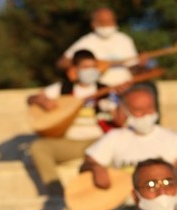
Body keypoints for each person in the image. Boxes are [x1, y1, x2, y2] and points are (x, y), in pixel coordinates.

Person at [74, 83, 177, 210]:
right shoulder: (115, 137)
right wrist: (95, 168)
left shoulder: (172, 139)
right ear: (126, 111)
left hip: (161, 208)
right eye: (138, 110)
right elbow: (86, 163)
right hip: (121, 208)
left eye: (149, 108)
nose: (146, 114)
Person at [27, 49, 120, 197]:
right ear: (75, 69)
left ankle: (105, 195)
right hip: (69, 142)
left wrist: (119, 103)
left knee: (111, 151)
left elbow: (119, 120)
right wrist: (42, 101)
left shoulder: (106, 90)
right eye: (85, 67)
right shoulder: (62, 88)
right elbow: (31, 99)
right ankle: (56, 194)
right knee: (38, 147)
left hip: (98, 141)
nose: (90, 71)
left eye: (93, 67)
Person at [56, 7, 146, 88]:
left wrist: (141, 64)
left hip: (124, 89)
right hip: (99, 91)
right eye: (103, 22)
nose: (107, 25)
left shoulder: (125, 40)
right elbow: (62, 63)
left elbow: (133, 69)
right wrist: (89, 65)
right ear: (93, 24)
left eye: (110, 21)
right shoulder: (86, 42)